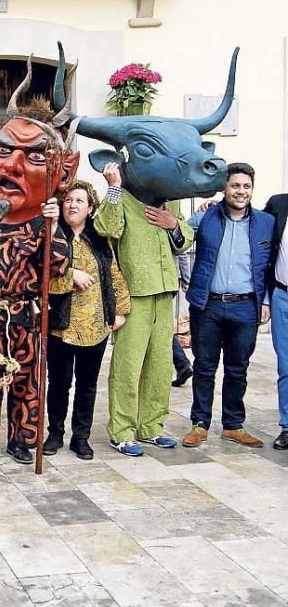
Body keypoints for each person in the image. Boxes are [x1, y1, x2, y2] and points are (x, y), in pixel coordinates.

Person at [0, 86, 76, 464]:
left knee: (28, 382)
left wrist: (54, 225)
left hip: (26, 316)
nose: (11, 166)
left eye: (33, 157)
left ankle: (22, 441)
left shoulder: (45, 223)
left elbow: (58, 265)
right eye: (4, 151)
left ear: (62, 171)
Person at [95, 162, 194, 456]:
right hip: (133, 295)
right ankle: (122, 431)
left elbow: (185, 240)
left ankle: (151, 426)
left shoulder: (171, 202)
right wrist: (113, 188)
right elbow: (105, 228)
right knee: (128, 365)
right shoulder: (122, 197)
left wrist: (172, 224)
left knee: (161, 365)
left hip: (165, 294)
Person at [180, 163, 273, 448]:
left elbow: (269, 265)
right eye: (235, 185)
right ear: (225, 188)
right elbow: (179, 237)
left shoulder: (267, 222)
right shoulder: (205, 217)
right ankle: (200, 424)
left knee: (238, 368)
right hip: (208, 306)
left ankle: (233, 425)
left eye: (246, 186)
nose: (240, 191)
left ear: (252, 190)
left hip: (246, 307)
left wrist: (266, 300)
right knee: (205, 367)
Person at [46, 181, 129, 460]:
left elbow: (114, 275)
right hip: (61, 326)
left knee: (87, 384)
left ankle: (81, 437)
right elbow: (41, 277)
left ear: (90, 207)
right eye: (68, 200)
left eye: (79, 201)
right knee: (59, 383)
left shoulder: (99, 239)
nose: (72, 205)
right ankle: (55, 433)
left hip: (95, 325)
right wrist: (71, 276)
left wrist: (119, 311)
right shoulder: (54, 236)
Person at [266, 187, 288, 450]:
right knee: (286, 365)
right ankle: (287, 426)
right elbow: (251, 225)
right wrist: (215, 209)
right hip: (282, 296)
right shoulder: (278, 204)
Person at [171, 252, 194, 387]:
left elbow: (182, 250)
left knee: (159, 326)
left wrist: (187, 279)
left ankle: (182, 364)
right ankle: (182, 365)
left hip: (167, 278)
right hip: (169, 277)